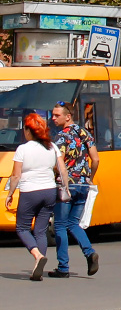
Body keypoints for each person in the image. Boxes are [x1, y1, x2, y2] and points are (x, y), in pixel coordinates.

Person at [5, 112, 70, 280]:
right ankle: (37, 268)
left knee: (22, 228)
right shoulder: (51, 147)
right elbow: (62, 169)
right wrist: (66, 187)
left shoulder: (23, 149)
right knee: (40, 231)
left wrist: (10, 194)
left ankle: (37, 256)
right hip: (49, 192)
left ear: (28, 130)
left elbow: (15, 176)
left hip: (30, 192)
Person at [50, 102, 100, 278]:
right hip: (84, 185)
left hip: (67, 186)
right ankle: (89, 252)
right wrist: (90, 178)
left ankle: (63, 267)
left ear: (68, 116)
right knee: (74, 223)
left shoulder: (60, 137)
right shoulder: (84, 133)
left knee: (61, 225)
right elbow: (96, 159)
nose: (53, 118)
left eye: (57, 115)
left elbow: (59, 163)